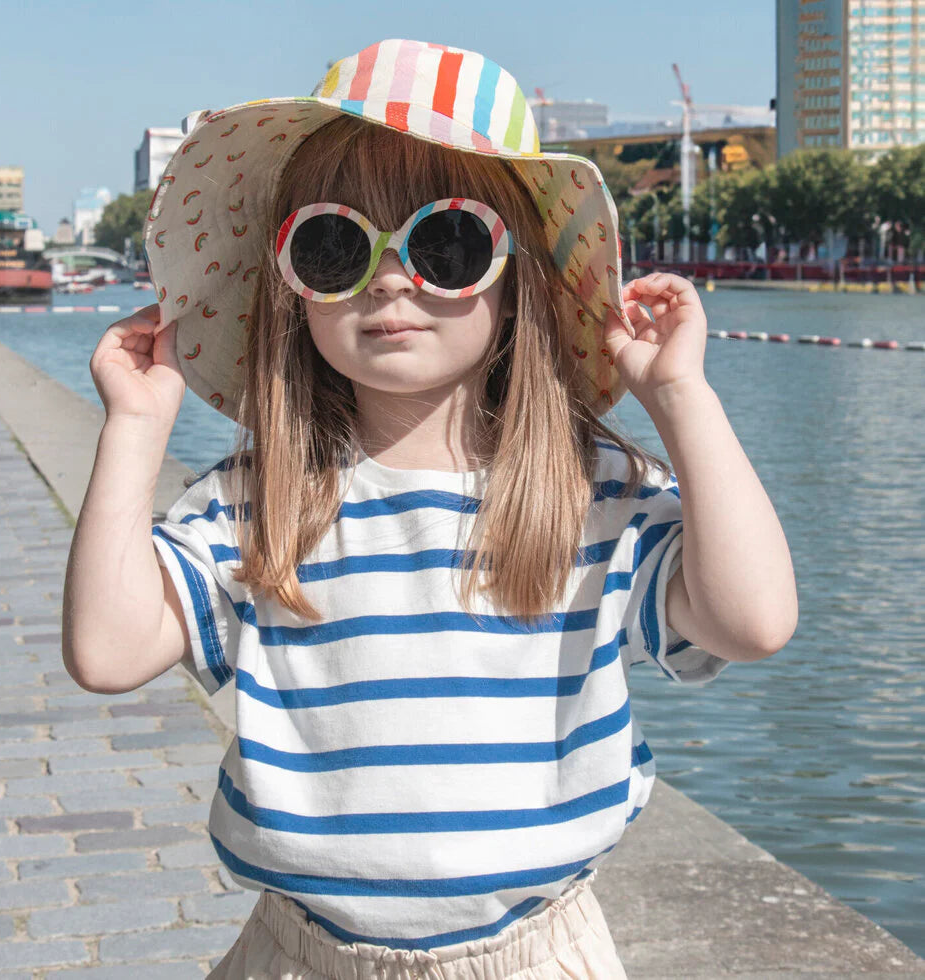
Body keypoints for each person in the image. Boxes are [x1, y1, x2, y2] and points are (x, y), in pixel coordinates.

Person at [63, 39, 797, 979]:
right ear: (290, 286)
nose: (390, 276)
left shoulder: (589, 498)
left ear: (518, 273)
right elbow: (107, 651)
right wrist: (134, 424)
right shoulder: (258, 504)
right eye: (333, 245)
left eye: (447, 243)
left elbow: (755, 620)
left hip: (534, 956)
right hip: (302, 955)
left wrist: (682, 399)